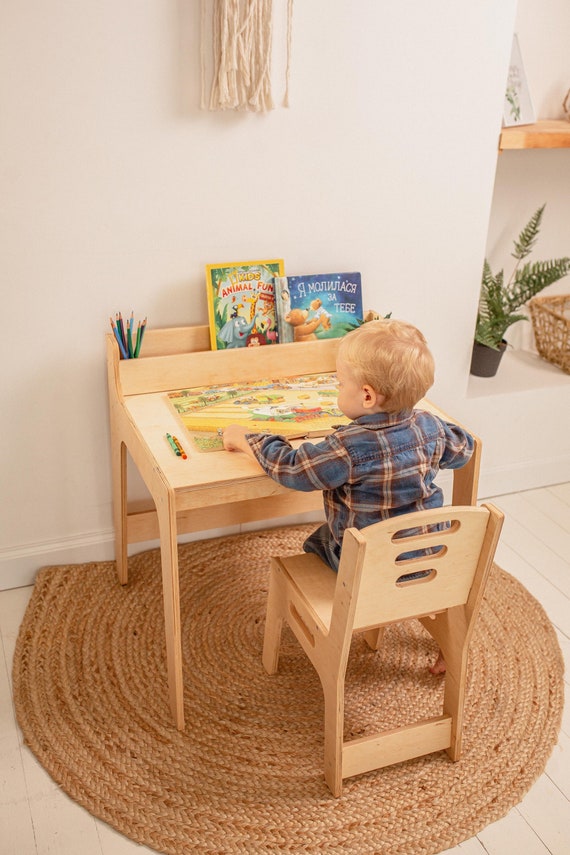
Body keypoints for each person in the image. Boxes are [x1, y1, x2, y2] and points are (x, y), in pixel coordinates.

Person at [222, 318, 475, 674]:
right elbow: (464, 449)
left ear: (367, 395)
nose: (338, 390)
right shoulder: (430, 427)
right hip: (429, 561)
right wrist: (427, 420)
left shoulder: (347, 448)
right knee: (356, 536)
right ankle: (448, 644)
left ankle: (329, 621)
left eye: (341, 384)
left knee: (317, 542)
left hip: (368, 571)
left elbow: (294, 469)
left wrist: (249, 440)